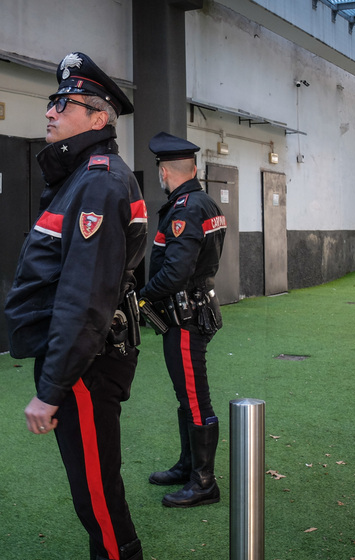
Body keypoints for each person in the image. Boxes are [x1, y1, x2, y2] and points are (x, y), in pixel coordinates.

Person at [3, 52, 147, 560]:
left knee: (97, 494)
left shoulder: (99, 182)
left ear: (98, 118)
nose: (51, 111)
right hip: (81, 358)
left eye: (65, 103)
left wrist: (52, 389)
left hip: (87, 364)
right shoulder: (81, 177)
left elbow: (85, 298)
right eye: (52, 102)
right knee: (92, 490)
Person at [139, 132, 226, 508]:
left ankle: (203, 483)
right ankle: (189, 465)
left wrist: (141, 297)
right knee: (186, 396)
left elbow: (175, 274)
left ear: (164, 171)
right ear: (192, 168)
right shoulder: (201, 202)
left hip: (186, 315)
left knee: (194, 397)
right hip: (189, 310)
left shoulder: (187, 208)